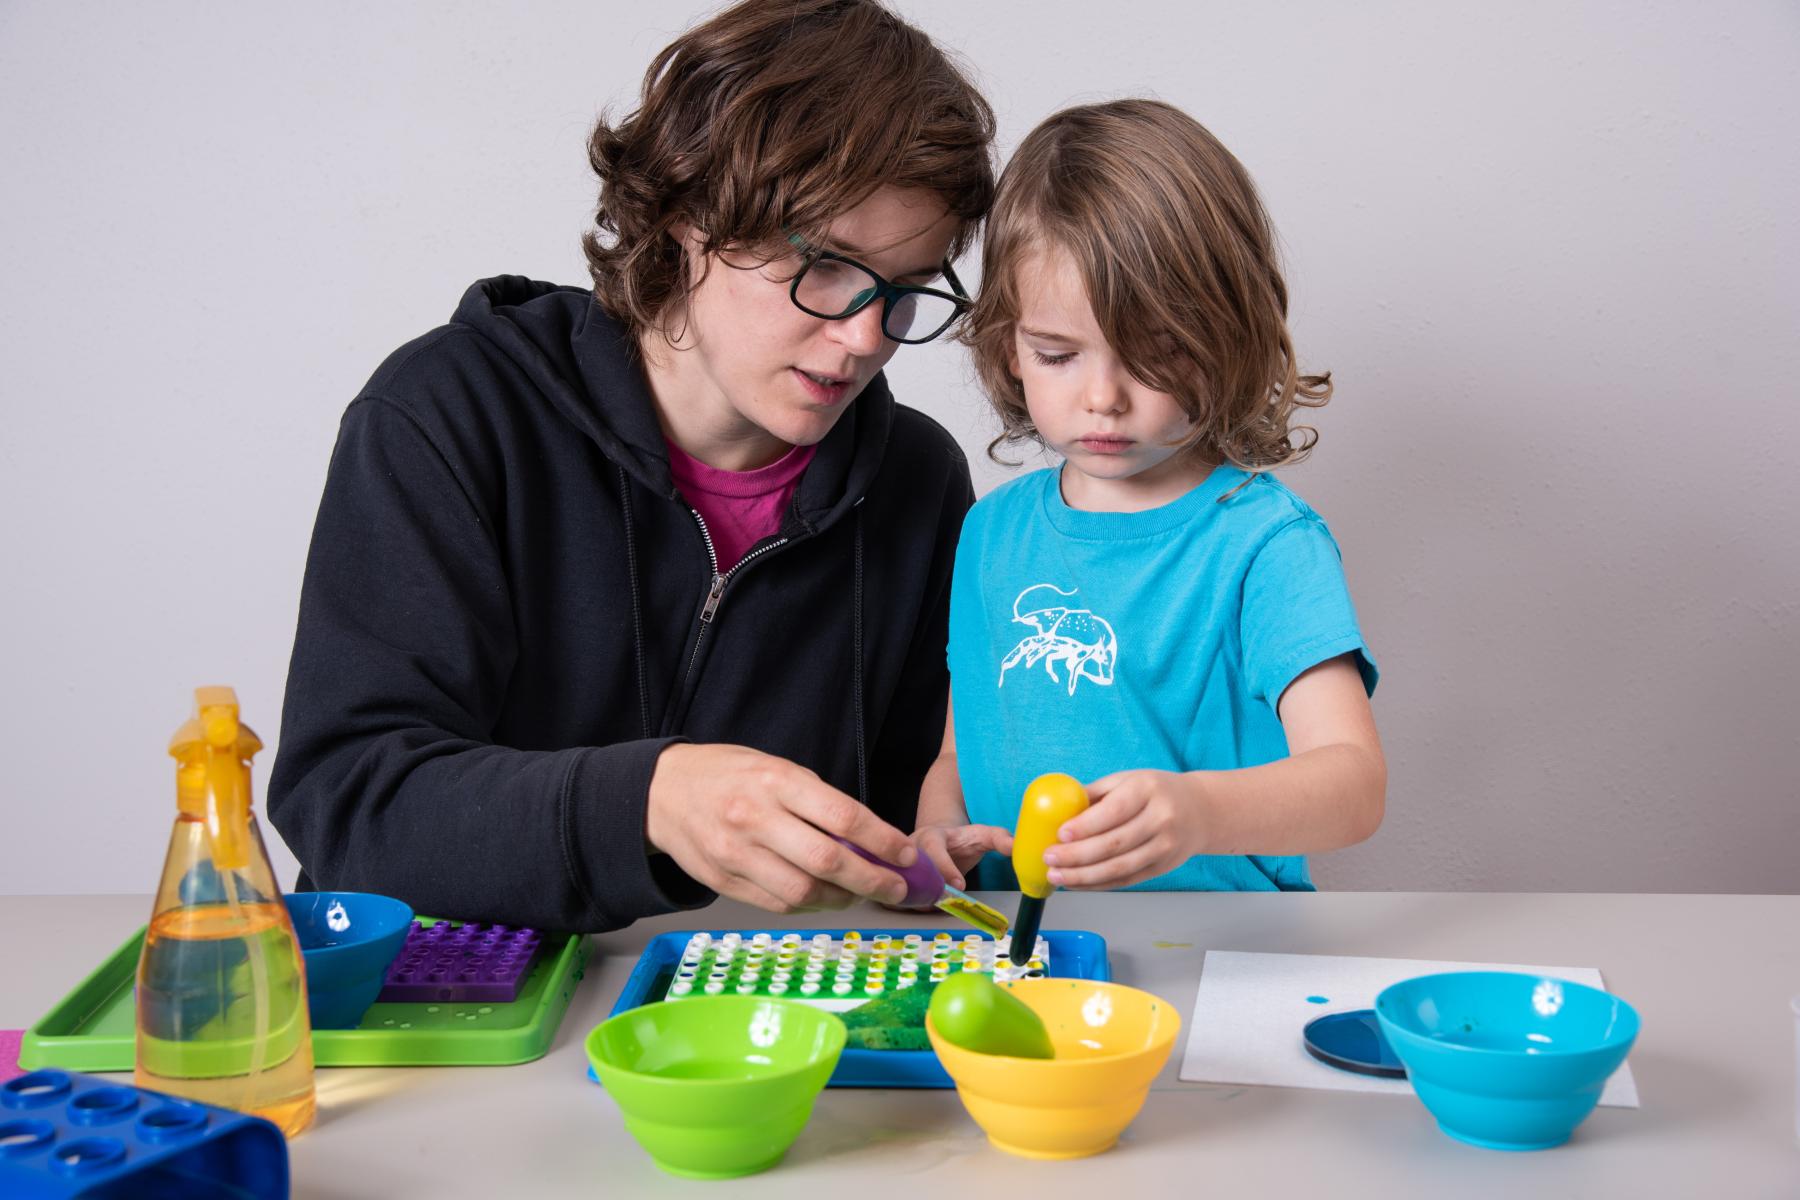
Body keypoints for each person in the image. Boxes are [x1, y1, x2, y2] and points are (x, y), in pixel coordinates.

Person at [267, 0, 997, 931]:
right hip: (460, 1020)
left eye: (901, 291)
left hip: (752, 1030)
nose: (863, 337)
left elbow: (901, 846)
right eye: (829, 268)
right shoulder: (448, 413)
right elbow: (349, 808)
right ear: (691, 215)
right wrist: (648, 799)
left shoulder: (916, 481)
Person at [911, 99, 1385, 894]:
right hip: (1020, 951)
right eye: (1058, 353)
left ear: (1225, 338)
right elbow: (961, 754)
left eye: (1155, 354)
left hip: (1218, 950)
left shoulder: (1266, 543)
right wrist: (932, 835)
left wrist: (1197, 811)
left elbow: (1353, 785)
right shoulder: (990, 531)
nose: (1104, 396)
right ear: (1008, 346)